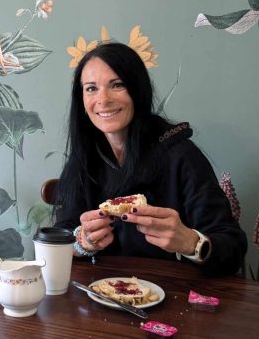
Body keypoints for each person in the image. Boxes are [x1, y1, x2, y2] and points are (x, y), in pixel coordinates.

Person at [54, 42, 247, 275]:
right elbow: (60, 236)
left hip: (175, 297)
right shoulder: (84, 158)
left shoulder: (181, 155)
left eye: (117, 85)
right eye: (91, 88)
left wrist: (191, 242)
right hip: (102, 295)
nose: (103, 100)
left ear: (138, 91)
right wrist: (82, 242)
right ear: (82, 100)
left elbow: (233, 248)